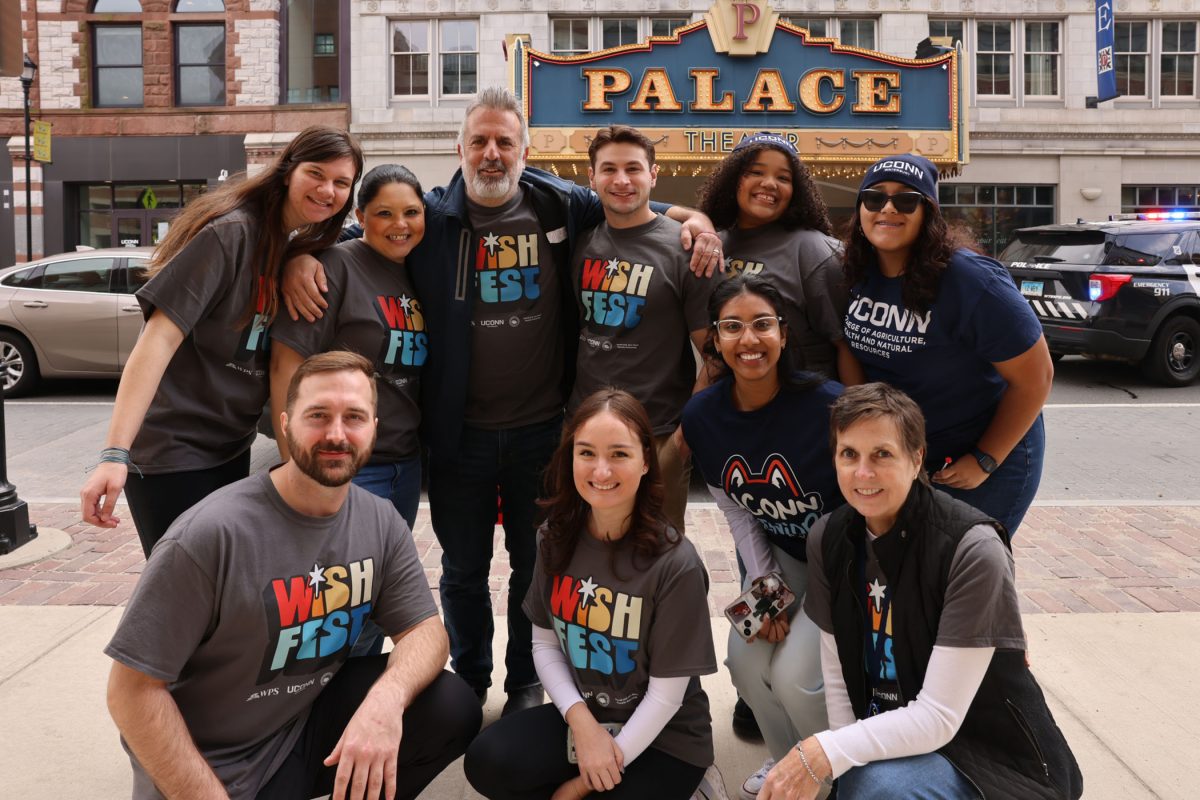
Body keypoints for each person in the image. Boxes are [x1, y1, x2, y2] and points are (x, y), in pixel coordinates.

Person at [283, 87, 723, 714]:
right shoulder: (432, 217)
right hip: (457, 433)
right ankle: (469, 676)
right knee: (461, 570)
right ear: (459, 149)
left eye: (505, 143)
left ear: (526, 150)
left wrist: (697, 221)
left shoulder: (559, 204)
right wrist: (303, 255)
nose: (492, 155)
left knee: (533, 566)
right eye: (480, 142)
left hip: (543, 431)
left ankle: (524, 682)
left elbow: (633, 198)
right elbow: (372, 228)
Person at [104, 352, 482, 800]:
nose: (337, 434)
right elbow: (131, 692)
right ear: (285, 424)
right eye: (318, 415)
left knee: (449, 705)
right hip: (216, 765)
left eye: (354, 417)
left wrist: (385, 702)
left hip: (303, 724)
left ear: (374, 429)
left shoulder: (378, 520)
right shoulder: (210, 535)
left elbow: (426, 632)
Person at [757, 382, 1082, 800]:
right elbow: (839, 676)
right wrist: (842, 761)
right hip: (899, 731)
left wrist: (825, 752)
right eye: (848, 454)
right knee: (859, 781)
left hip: (992, 757)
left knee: (877, 787)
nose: (863, 473)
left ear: (916, 459)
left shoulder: (972, 549)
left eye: (882, 455)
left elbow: (940, 717)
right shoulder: (829, 536)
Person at [80, 125, 364, 557]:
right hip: (174, 454)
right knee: (188, 597)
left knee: (223, 595)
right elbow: (156, 341)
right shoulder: (229, 234)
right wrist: (114, 453)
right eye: (316, 174)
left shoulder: (287, 242)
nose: (328, 190)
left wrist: (300, 257)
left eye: (342, 183)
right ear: (288, 171)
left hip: (230, 451)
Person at [463, 388, 721, 800]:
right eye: (586, 453)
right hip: (585, 719)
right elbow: (544, 644)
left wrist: (579, 786)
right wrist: (582, 723)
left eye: (619, 454)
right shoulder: (554, 537)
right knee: (488, 760)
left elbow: (666, 695)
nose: (601, 470)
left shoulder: (676, 563)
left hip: (665, 737)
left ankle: (697, 787)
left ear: (645, 461)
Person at [682, 273, 844, 800]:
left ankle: (825, 777)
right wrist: (765, 584)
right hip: (778, 561)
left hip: (841, 562)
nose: (748, 340)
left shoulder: (829, 407)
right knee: (744, 660)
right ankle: (785, 763)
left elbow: (866, 510)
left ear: (784, 333)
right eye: (732, 327)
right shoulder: (703, 416)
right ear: (715, 341)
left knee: (799, 677)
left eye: (761, 325)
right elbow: (737, 512)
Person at [840, 154, 1053, 536]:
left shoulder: (970, 280)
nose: (888, 207)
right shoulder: (857, 271)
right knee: (913, 569)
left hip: (986, 452)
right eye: (874, 198)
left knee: (965, 570)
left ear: (928, 213)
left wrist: (986, 458)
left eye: (906, 199)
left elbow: (1036, 377)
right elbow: (849, 352)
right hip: (911, 454)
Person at [569, 125, 716, 533]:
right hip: (585, 432)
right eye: (609, 169)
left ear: (653, 175)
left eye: (633, 169)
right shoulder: (579, 244)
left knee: (660, 558)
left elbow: (716, 357)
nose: (621, 180)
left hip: (660, 435)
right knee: (588, 555)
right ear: (591, 177)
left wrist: (683, 441)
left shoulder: (686, 250)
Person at [270, 164, 428, 531]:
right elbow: (286, 365)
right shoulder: (333, 268)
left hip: (405, 463)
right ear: (361, 216)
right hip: (347, 463)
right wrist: (292, 464)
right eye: (384, 214)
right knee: (337, 580)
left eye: (411, 213)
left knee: (380, 576)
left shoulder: (421, 270)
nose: (400, 225)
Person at [697, 132, 863, 384]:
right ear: (732, 180)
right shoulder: (711, 244)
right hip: (732, 405)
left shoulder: (815, 251)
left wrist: (855, 417)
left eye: (783, 177)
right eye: (756, 172)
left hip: (803, 405)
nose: (770, 183)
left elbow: (846, 346)